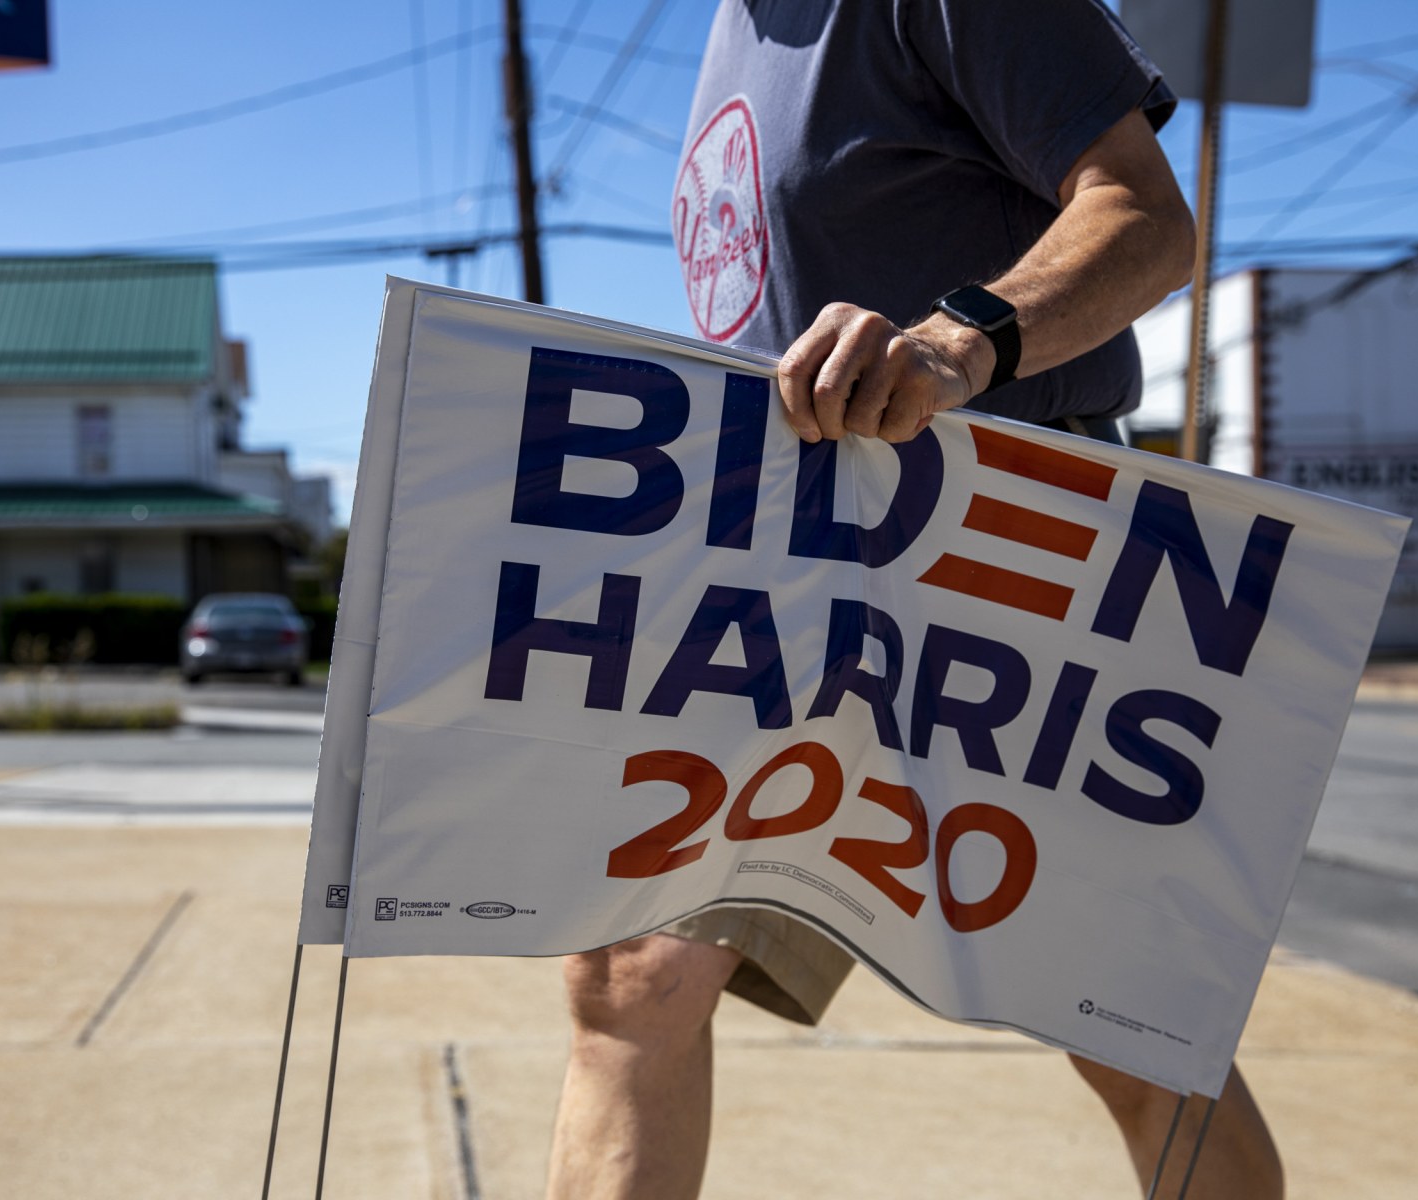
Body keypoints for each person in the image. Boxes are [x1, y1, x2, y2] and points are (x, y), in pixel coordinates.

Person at [545, 2, 1284, 1196]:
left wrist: (959, 343)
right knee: (631, 970)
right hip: (793, 565)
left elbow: (1145, 218)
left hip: (1009, 539)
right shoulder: (735, 31)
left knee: (1122, 1021)